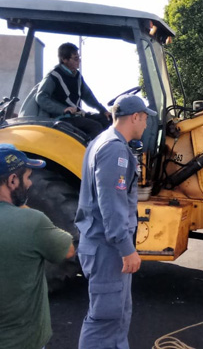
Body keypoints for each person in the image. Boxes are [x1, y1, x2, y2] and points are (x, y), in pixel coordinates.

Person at [75, 95, 155, 349]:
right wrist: (126, 248)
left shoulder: (101, 141)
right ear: (135, 117)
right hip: (107, 249)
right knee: (104, 321)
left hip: (102, 246)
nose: (145, 125)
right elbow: (111, 204)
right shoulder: (115, 149)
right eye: (145, 119)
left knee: (116, 316)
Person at [0, 144, 75, 349]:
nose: (31, 183)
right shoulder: (32, 222)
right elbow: (68, 249)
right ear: (13, 181)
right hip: (21, 340)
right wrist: (21, 204)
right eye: (27, 177)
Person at [19, 42, 111, 139]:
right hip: (61, 119)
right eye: (75, 58)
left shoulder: (77, 75)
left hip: (75, 115)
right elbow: (41, 98)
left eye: (79, 58)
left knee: (107, 120)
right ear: (64, 59)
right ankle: (88, 151)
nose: (78, 61)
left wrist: (103, 110)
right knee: (95, 127)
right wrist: (63, 109)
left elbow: (88, 96)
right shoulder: (54, 76)